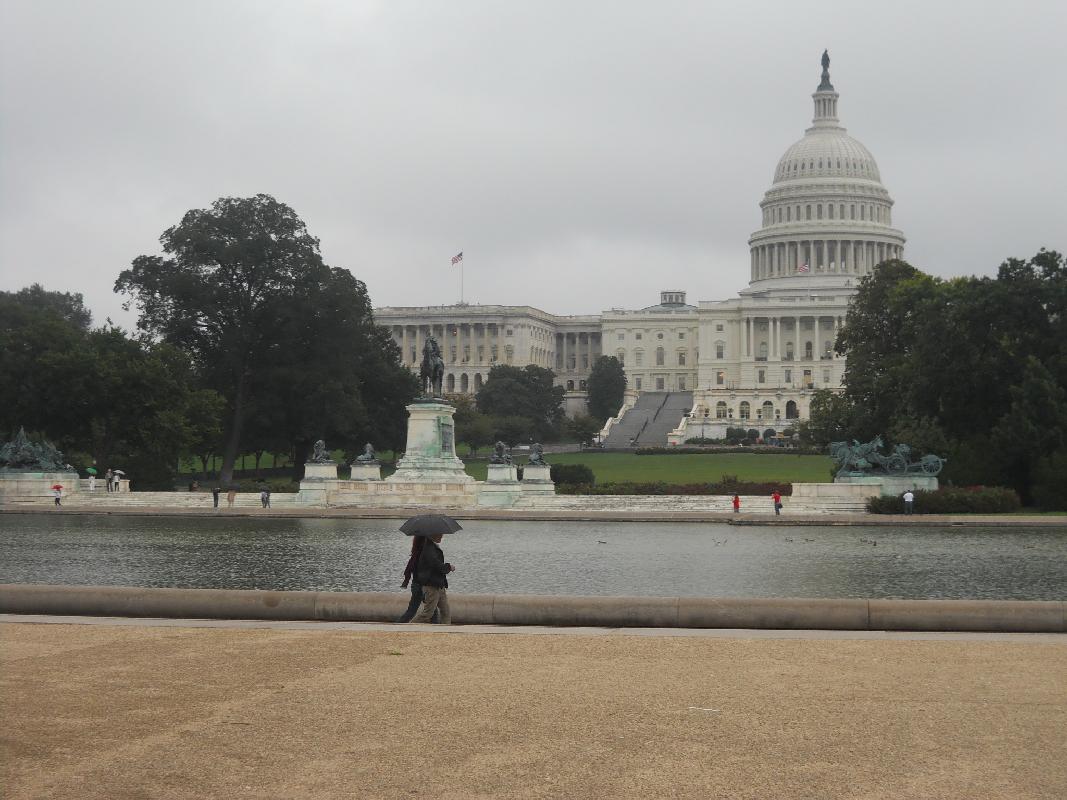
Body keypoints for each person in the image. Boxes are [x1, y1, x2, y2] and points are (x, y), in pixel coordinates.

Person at [410, 533, 454, 624]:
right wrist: (449, 567)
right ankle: (407, 628)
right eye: (440, 534)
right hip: (432, 585)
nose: (442, 536)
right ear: (433, 535)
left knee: (446, 611)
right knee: (427, 614)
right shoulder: (429, 548)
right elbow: (436, 564)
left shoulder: (432, 547)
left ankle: (445, 633)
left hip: (439, 584)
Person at [396, 537, 440, 624]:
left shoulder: (416, 553)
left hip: (415, 585)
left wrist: (406, 580)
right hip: (424, 586)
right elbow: (432, 568)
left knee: (411, 611)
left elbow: (410, 569)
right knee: (432, 610)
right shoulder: (426, 553)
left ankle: (398, 625)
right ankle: (435, 628)